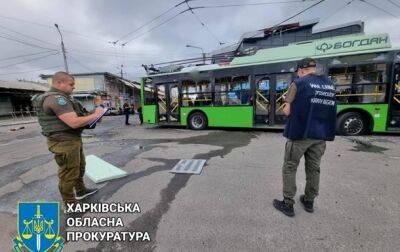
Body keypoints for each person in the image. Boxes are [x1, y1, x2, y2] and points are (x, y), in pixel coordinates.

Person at [273, 58, 337, 217]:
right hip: (320, 135)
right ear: (314, 68)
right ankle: (309, 201)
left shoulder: (298, 83)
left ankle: (288, 204)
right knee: (314, 168)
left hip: (300, 134)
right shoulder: (329, 84)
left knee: (289, 167)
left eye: (297, 72)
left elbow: (287, 111)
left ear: (301, 70)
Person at [33, 71, 104, 205]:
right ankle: (70, 202)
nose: (73, 87)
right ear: (59, 83)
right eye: (71, 84)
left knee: (79, 167)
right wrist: (95, 115)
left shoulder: (65, 98)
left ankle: (81, 190)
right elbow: (74, 122)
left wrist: (94, 115)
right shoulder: (56, 99)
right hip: (63, 142)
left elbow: (79, 118)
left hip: (72, 140)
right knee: (69, 173)